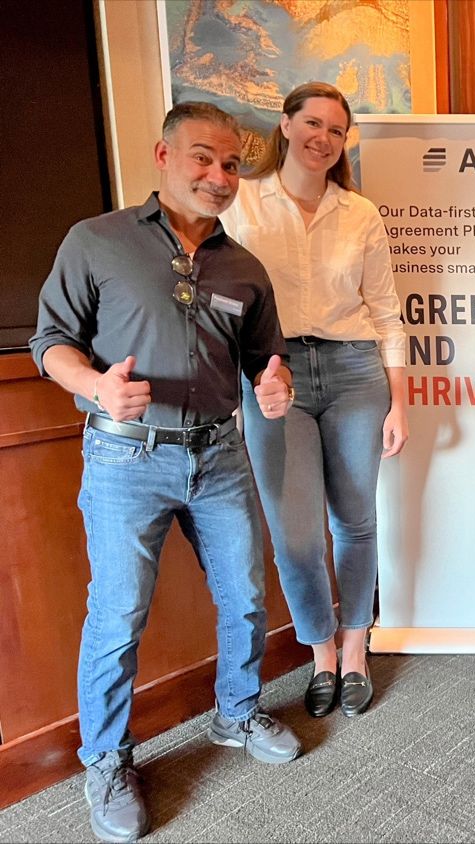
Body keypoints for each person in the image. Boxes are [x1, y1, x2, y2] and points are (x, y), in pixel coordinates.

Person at [29, 102, 302, 844]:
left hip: (220, 455)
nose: (219, 176)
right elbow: (50, 341)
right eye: (203, 158)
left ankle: (237, 713)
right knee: (118, 614)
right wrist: (96, 386)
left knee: (246, 598)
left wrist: (275, 385)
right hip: (126, 456)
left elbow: (265, 362)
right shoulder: (97, 241)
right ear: (164, 155)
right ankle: (107, 759)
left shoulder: (244, 268)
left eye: (231, 165)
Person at [220, 82, 408, 721]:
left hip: (355, 371)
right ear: (285, 125)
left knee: (355, 520)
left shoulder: (360, 214)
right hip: (274, 376)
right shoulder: (243, 203)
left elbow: (386, 312)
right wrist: (238, 384)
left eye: (335, 129)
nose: (322, 138)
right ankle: (320, 653)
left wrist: (400, 403)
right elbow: (221, 304)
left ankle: (354, 650)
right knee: (296, 535)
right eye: (312, 123)